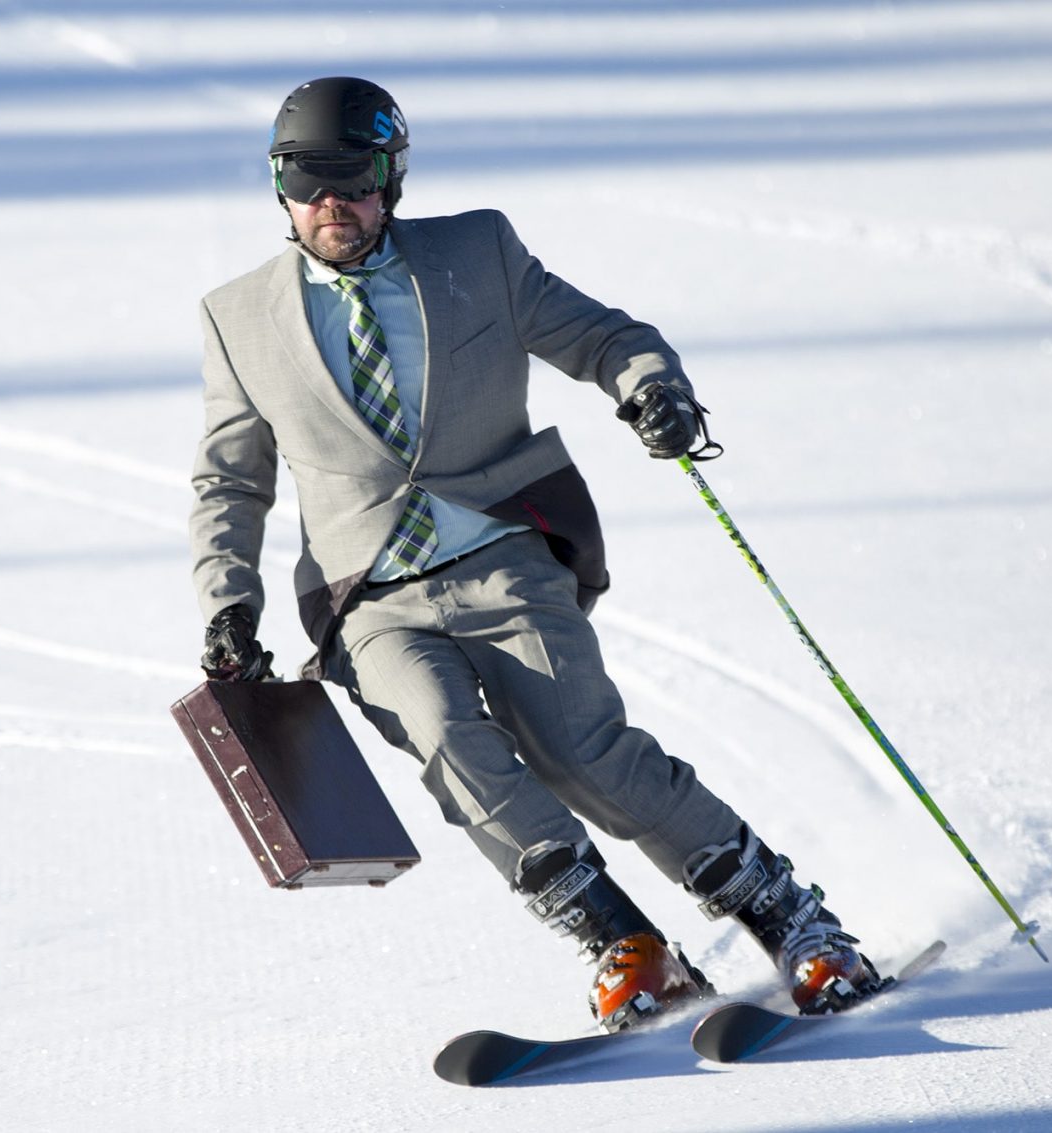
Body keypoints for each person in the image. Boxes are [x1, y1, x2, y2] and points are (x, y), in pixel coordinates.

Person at [187, 76, 878, 1028]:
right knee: (449, 745)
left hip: (501, 555)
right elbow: (230, 480)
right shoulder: (238, 315)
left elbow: (603, 336)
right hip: (370, 598)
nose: (329, 203)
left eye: (350, 178)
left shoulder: (478, 251)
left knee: (585, 753)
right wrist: (228, 604)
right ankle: (624, 945)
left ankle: (796, 922)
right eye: (306, 180)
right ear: (279, 187)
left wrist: (650, 387)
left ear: (390, 177)